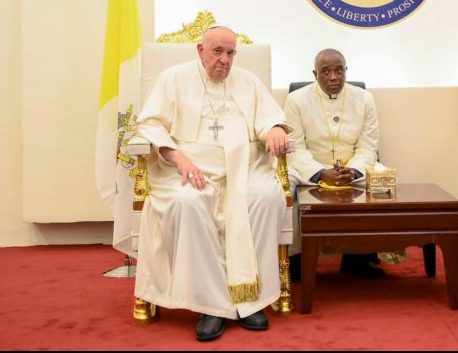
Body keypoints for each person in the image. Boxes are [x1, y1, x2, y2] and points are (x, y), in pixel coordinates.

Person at [133, 25, 291, 342]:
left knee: (265, 196)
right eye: (217, 51)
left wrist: (274, 128)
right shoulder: (172, 80)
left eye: (231, 53)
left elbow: (268, 117)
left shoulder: (248, 81)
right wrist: (180, 160)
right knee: (187, 202)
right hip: (186, 170)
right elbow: (150, 125)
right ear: (200, 50)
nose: (224, 60)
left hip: (244, 169)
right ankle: (212, 306)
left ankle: (252, 300)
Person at [284, 48, 385, 278]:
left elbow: (369, 145)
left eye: (339, 70)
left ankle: (360, 257)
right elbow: (295, 147)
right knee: (283, 187)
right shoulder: (296, 100)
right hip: (308, 167)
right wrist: (320, 173)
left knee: (383, 182)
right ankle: (293, 259)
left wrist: (355, 170)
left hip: (352, 167)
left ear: (346, 71)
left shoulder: (364, 98)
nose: (333, 77)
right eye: (326, 71)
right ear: (315, 73)